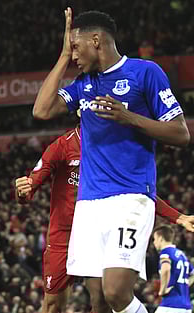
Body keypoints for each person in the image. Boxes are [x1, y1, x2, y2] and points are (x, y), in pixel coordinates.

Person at [32, 6, 190, 313]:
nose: (73, 55)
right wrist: (63, 56)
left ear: (96, 40)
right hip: (89, 204)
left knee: (116, 291)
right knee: (99, 302)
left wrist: (128, 117)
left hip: (130, 198)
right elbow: (41, 110)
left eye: (75, 47)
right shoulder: (82, 84)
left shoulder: (145, 73)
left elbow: (181, 133)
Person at [15, 126, 194, 313]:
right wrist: (22, 191)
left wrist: (178, 217)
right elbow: (29, 188)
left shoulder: (112, 148)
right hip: (64, 236)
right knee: (53, 306)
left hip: (96, 230)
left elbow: (136, 192)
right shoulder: (63, 145)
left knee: (102, 302)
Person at [152, 225, 194, 313]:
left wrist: (162, 290)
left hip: (171, 304)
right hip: (186, 306)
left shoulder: (166, 252)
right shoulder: (182, 255)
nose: (154, 243)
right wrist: (184, 285)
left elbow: (166, 269)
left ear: (160, 238)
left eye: (154, 239)